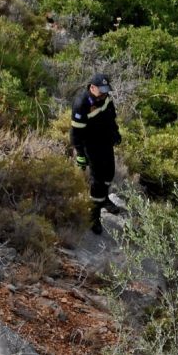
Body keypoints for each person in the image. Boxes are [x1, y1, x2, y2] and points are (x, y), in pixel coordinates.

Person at [70, 73, 122, 234]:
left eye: (107, 90)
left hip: (105, 142)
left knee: (109, 174)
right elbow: (76, 133)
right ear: (92, 88)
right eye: (102, 90)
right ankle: (94, 216)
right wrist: (80, 154)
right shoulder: (82, 104)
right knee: (97, 181)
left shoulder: (105, 98)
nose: (105, 94)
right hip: (91, 146)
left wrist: (115, 133)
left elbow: (111, 117)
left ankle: (105, 199)